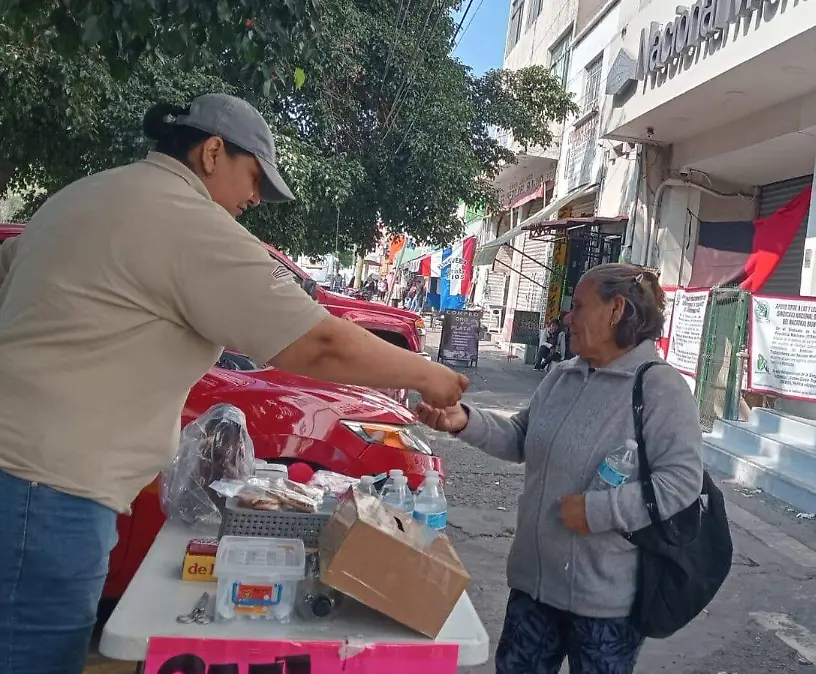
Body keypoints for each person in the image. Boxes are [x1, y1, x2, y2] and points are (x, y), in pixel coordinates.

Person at [0, 94, 469, 674]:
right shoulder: (182, 217)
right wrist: (434, 375)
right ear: (213, 152)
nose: (253, 200)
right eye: (253, 180)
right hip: (47, 490)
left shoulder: (81, 196)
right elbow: (316, 342)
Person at [418, 263, 703, 674]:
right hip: (534, 588)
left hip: (606, 607)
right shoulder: (562, 377)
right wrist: (462, 420)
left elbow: (680, 483)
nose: (568, 317)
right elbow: (522, 437)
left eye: (579, 306)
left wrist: (596, 512)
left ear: (616, 310)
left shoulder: (661, 389)